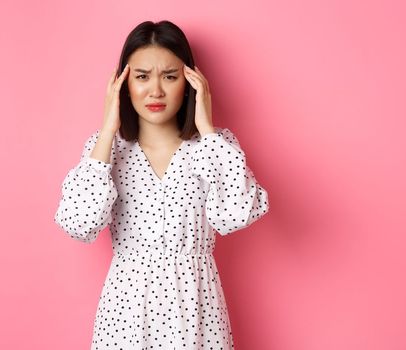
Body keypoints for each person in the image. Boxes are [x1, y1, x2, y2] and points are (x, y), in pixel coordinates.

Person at [53, 20, 270, 349]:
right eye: (142, 77)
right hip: (124, 315)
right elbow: (79, 223)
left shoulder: (213, 147)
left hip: (198, 311)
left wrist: (207, 127)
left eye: (170, 76)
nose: (155, 91)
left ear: (190, 81)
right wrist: (107, 130)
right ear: (123, 83)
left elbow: (236, 214)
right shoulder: (106, 151)